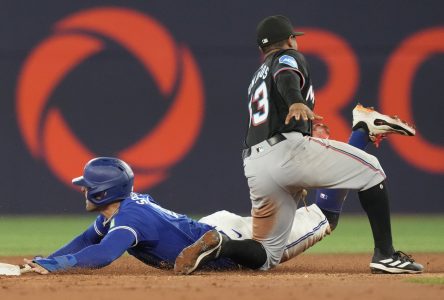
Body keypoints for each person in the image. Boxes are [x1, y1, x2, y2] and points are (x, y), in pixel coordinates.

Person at [173, 15, 424, 275]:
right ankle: (385, 254)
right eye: (294, 38)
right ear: (290, 40)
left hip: (256, 164)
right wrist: (295, 100)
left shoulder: (255, 78)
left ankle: (222, 246)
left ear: (262, 48)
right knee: (372, 170)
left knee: (267, 253)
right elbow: (287, 75)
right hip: (287, 151)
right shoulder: (286, 56)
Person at [23, 157, 330, 274]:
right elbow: (88, 238)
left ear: (104, 193)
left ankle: (360, 135)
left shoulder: (129, 220)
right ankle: (288, 194)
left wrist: (56, 265)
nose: (82, 189)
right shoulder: (121, 207)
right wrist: (48, 260)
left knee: (327, 217)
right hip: (212, 227)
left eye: (87, 186)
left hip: (235, 242)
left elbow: (104, 253)